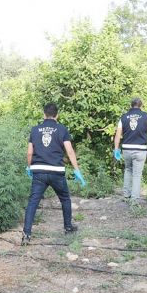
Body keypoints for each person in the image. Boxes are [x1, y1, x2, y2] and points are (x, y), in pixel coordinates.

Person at [21, 102, 86, 245]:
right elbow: (69, 151)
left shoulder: (35, 130)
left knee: (32, 202)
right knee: (65, 199)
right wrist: (76, 170)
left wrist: (29, 166)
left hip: (38, 171)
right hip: (56, 171)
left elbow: (30, 152)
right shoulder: (62, 129)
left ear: (44, 114)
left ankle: (26, 235)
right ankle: (68, 227)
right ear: (57, 115)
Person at [113, 98, 147, 202]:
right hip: (140, 150)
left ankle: (126, 195)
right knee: (137, 174)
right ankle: (134, 199)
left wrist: (116, 149)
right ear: (141, 106)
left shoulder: (124, 117)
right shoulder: (146, 116)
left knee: (128, 170)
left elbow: (117, 135)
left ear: (131, 106)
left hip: (126, 149)